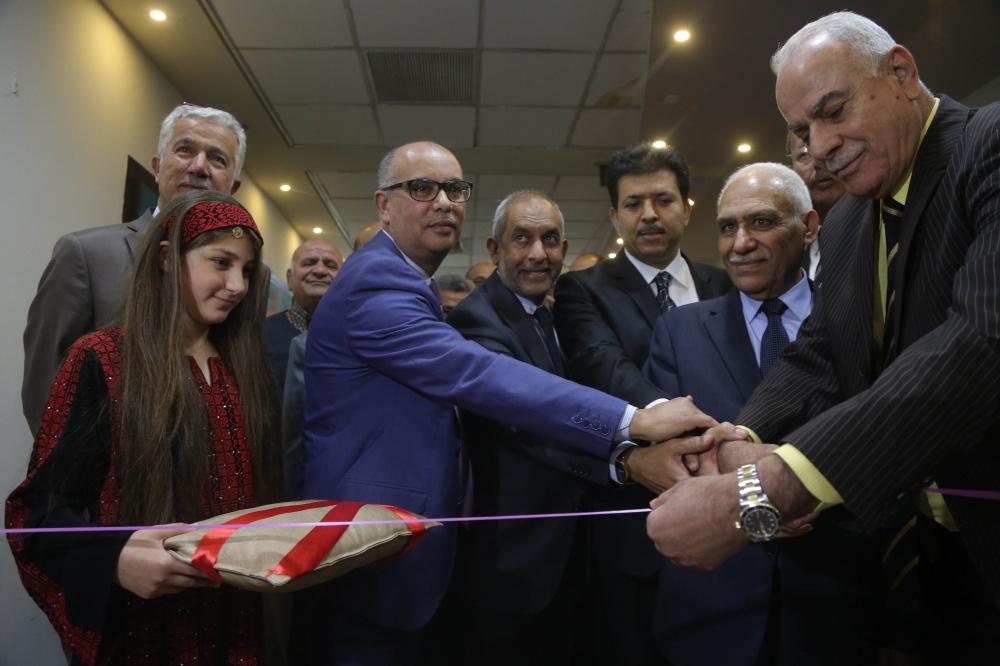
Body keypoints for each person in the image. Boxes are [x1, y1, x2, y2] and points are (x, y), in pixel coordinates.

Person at [646, 12, 1000, 662]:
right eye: (803, 131)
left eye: (834, 112)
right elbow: (819, 355)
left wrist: (768, 487)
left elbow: (977, 347)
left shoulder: (990, 147)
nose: (822, 146)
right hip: (922, 568)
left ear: (900, 72)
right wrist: (742, 436)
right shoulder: (849, 222)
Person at [297, 141, 720, 665]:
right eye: (422, 188)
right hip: (375, 542)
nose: (444, 202)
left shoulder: (412, 281)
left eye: (455, 189)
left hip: (421, 541)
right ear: (383, 205)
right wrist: (634, 420)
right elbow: (477, 373)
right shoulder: (377, 281)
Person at [6, 191, 281, 665]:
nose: (237, 285)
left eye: (248, 270)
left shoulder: (246, 369)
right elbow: (38, 514)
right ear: (167, 259)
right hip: (142, 632)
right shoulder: (103, 359)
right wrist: (113, 558)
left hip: (234, 625)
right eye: (221, 262)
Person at [644, 163, 881, 665]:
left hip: (836, 594)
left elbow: (884, 434)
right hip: (714, 602)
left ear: (809, 227)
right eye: (728, 227)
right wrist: (761, 499)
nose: (740, 243)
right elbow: (669, 455)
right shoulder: (680, 331)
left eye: (761, 222)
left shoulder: (862, 320)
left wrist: (798, 491)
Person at [554, 144, 731, 663]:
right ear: (615, 216)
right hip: (638, 519)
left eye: (663, 200)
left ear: (687, 209)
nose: (649, 214)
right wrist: (699, 430)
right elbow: (606, 367)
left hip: (729, 506)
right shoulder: (582, 290)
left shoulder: (724, 283)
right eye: (633, 204)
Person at [22, 103, 245, 436]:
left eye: (217, 159)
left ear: (233, 188)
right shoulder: (86, 255)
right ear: (157, 167)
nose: (199, 167)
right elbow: (46, 388)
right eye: (185, 150)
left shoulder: (245, 278)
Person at [446, 191, 595, 664]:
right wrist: (628, 459)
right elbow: (535, 422)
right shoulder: (475, 320)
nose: (537, 253)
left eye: (549, 240)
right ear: (494, 250)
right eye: (522, 238)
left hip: (568, 557)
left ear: (564, 250)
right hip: (507, 565)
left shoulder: (554, 317)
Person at [265, 238, 343, 392]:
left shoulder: (358, 336)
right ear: (289, 278)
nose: (320, 271)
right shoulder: (259, 334)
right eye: (308, 263)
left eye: (330, 265)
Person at [787, 131, 845, 280]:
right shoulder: (789, 258)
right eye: (804, 154)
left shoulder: (878, 230)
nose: (818, 162)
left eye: (829, 149)